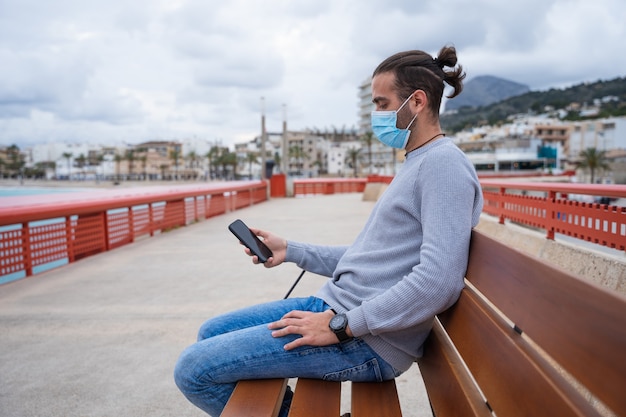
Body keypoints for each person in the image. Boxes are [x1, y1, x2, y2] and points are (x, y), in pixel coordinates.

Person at [174, 45, 484, 416]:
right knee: (211, 332)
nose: (376, 115)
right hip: (338, 312)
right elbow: (367, 259)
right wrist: (290, 250)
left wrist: (340, 326)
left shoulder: (443, 167)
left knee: (193, 371)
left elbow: (438, 281)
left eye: (382, 104)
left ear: (416, 102)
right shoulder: (419, 162)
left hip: (365, 339)